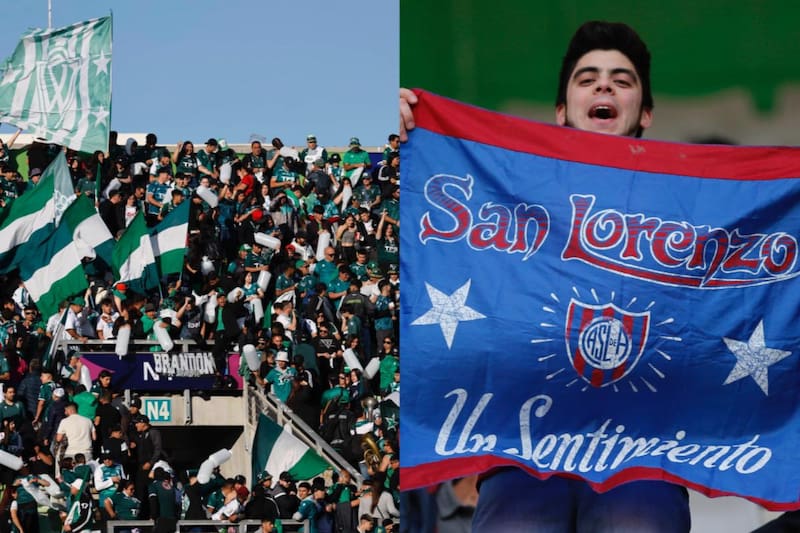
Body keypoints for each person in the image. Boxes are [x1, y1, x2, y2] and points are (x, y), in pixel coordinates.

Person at [400, 20, 689, 533]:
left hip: (643, 450)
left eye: (622, 80)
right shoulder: (499, 194)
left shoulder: (692, 212)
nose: (604, 86)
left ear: (644, 112)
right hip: (523, 446)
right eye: (588, 78)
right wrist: (391, 140)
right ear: (560, 112)